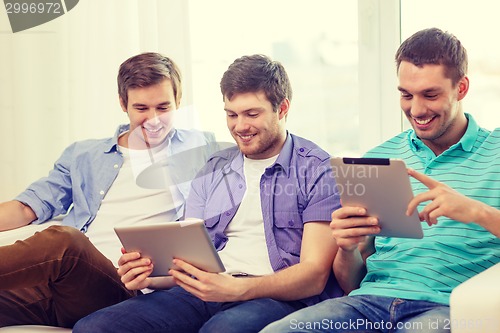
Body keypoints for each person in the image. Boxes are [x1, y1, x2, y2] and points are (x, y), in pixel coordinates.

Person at [72, 54, 344, 333]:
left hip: (274, 297)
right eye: (231, 114)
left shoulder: (318, 169)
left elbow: (314, 276)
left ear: (282, 108)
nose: (240, 126)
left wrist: (237, 288)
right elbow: (187, 263)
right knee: (93, 328)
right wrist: (148, 277)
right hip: (204, 290)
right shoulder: (215, 167)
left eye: (252, 114)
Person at [262, 27, 500, 333]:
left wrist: (476, 212)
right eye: (405, 94)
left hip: (447, 306)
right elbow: (351, 282)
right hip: (368, 303)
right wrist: (346, 248)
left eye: (430, 94)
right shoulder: (379, 158)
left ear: (461, 88)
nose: (416, 109)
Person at [0, 52, 217, 328]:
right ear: (122, 103)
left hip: (126, 289)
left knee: (65, 242)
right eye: (142, 109)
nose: (153, 120)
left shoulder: (205, 149)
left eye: (163, 108)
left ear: (179, 101)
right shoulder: (84, 154)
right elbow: (25, 207)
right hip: (61, 286)